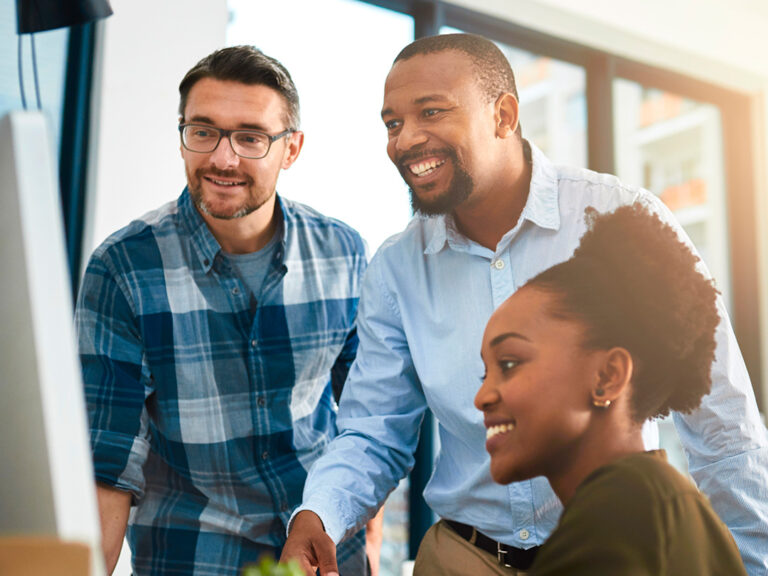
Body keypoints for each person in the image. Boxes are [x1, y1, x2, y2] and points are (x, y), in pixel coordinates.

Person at [281, 33, 768, 576]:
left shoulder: (620, 218)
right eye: (393, 123)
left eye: (431, 112)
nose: (406, 140)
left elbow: (723, 425)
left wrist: (755, 565)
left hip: (609, 553)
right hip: (463, 555)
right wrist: (319, 513)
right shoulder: (396, 269)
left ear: (504, 115)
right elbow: (374, 430)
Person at [75, 46, 371, 576]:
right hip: (194, 556)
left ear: (291, 148)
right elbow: (107, 466)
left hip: (324, 556)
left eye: (250, 137)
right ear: (182, 136)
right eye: (203, 131)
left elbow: (366, 422)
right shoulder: (123, 268)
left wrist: (362, 536)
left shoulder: (343, 253)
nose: (222, 159)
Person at [476, 203, 747, 575]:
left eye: (509, 363)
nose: (482, 397)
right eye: (484, 375)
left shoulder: (615, 518)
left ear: (608, 376)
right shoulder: (668, 502)